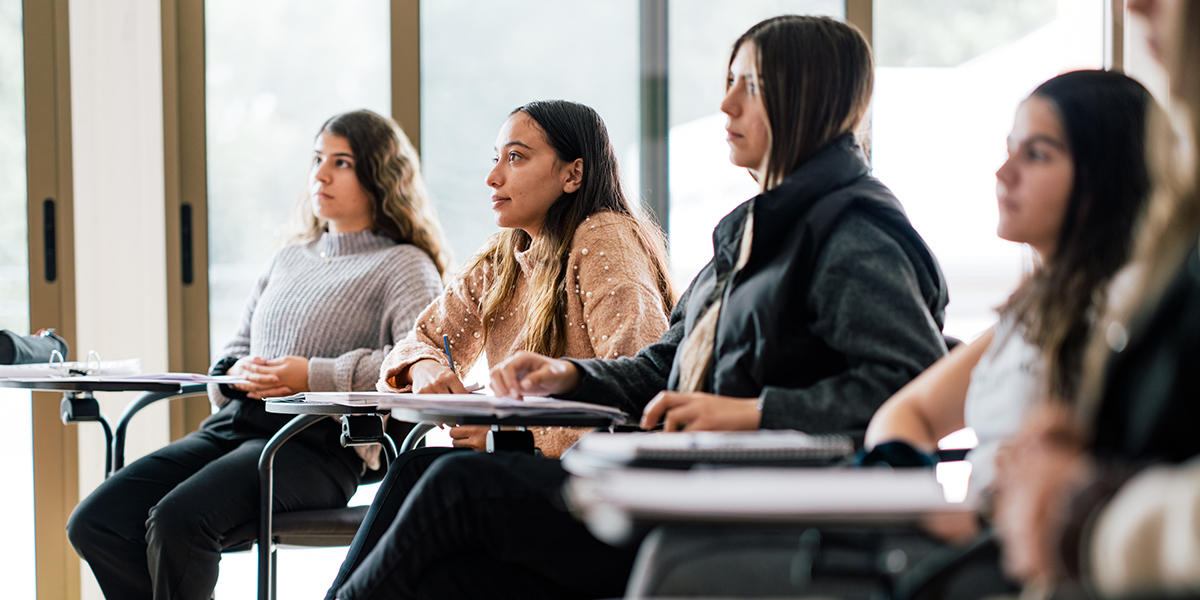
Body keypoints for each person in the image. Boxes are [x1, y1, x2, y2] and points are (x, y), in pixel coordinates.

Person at [332, 15, 949, 600]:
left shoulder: (854, 234)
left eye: (750, 86)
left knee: (453, 488)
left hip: (739, 512)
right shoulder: (755, 232)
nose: (726, 105)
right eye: (727, 83)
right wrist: (572, 375)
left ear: (810, 98)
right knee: (436, 546)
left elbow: (912, 387)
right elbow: (663, 365)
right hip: (686, 489)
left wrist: (750, 414)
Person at [65, 109, 448, 600]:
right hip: (233, 425)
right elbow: (233, 351)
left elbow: (412, 363)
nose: (320, 174)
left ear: (381, 174)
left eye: (342, 162)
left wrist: (311, 374)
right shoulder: (289, 257)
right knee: (97, 522)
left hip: (313, 444)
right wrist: (234, 372)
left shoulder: (404, 265)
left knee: (178, 521)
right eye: (316, 158)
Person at [324, 99, 675, 600]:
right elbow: (414, 343)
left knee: (444, 482)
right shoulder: (504, 256)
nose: (493, 177)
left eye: (516, 157)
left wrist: (504, 439)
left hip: (600, 491)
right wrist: (425, 369)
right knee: (418, 469)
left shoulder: (604, 237)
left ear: (573, 174)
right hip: (541, 478)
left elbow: (640, 390)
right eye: (495, 157)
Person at [992, 0, 1200, 595]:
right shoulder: (1170, 248)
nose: (1135, 5)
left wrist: (1091, 510)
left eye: (1036, 153)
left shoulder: (1116, 292)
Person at [864, 70, 1153, 491]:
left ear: (1104, 176)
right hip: (980, 543)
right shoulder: (1034, 310)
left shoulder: (1129, 308)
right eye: (1009, 150)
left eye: (1036, 155)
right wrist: (921, 498)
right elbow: (908, 414)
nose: (1003, 172)